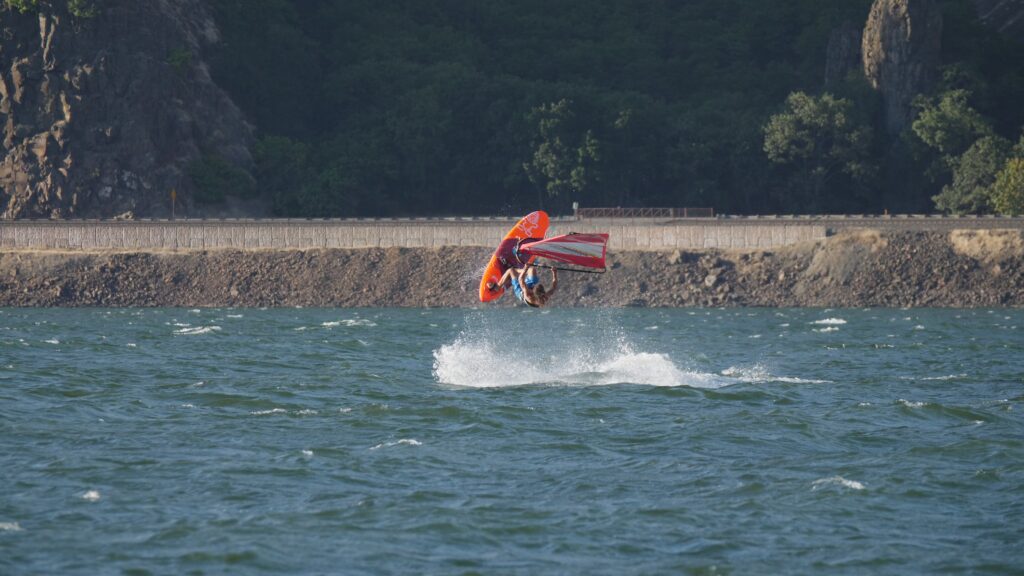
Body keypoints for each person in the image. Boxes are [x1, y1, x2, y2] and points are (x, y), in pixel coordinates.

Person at [488, 264, 558, 307]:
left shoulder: (528, 295)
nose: (535, 286)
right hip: (531, 288)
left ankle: (498, 286)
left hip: (520, 291)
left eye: (534, 287)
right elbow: (554, 287)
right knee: (532, 269)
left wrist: (525, 269)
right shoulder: (544, 296)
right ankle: (518, 271)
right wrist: (554, 272)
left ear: (533, 291)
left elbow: (520, 280)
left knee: (511, 270)